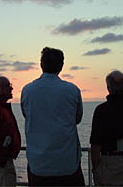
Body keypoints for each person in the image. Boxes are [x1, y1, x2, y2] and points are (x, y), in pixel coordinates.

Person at [21, 47, 85, 186]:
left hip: (38, 165)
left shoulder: (27, 91)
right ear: (61, 66)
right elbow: (77, 119)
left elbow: (26, 115)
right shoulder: (72, 90)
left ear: (41, 65)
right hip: (67, 164)